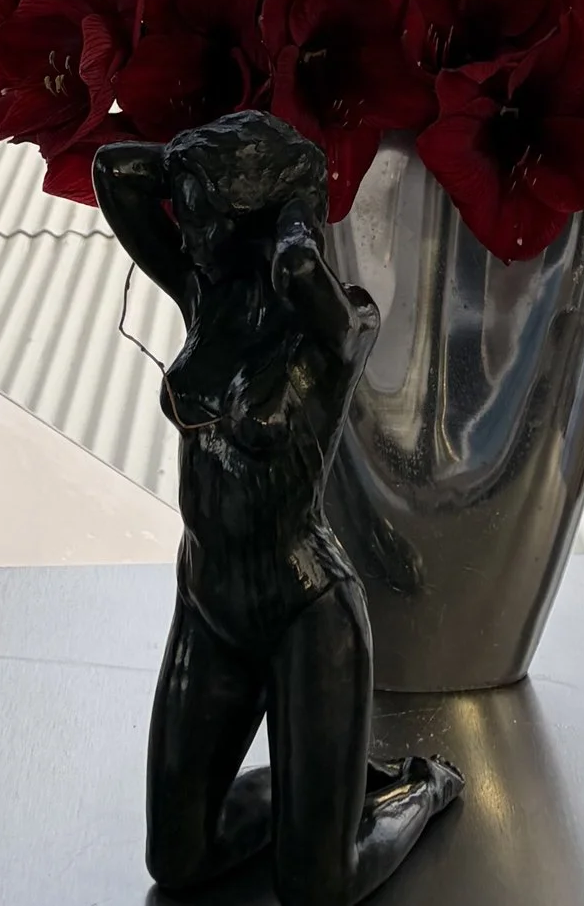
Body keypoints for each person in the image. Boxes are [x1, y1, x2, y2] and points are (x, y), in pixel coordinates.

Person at [96, 112, 463, 903]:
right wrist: (192, 165)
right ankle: (320, 786)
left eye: (204, 215)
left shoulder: (341, 325)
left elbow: (301, 273)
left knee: (314, 889)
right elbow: (115, 172)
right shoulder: (206, 293)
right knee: (178, 858)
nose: (186, 232)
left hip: (306, 610)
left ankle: (421, 785)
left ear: (255, 220)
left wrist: (297, 219)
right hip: (209, 604)